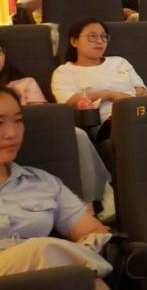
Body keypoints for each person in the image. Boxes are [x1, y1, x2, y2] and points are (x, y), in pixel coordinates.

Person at [0, 87, 113, 285]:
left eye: (18, 121)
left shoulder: (42, 182)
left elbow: (95, 232)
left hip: (44, 280)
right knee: (39, 251)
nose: (11, 133)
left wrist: (77, 256)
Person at [52, 18, 147, 129]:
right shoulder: (64, 72)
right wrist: (108, 94)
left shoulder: (120, 62)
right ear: (74, 41)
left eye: (103, 36)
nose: (100, 41)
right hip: (108, 123)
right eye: (92, 36)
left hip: (139, 114)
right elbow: (67, 102)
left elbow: (142, 91)